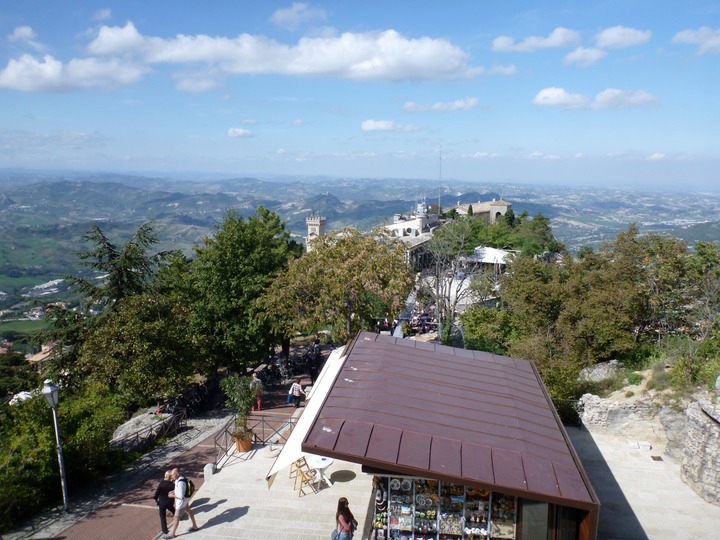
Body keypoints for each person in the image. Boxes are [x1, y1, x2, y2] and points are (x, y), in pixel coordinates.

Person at [167, 467, 199, 538]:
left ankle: (172, 534)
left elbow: (180, 496)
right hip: (185, 501)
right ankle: (195, 526)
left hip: (180, 504)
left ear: (177, 474)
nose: (171, 476)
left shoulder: (181, 482)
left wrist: (172, 496)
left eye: (172, 475)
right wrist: (174, 491)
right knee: (189, 512)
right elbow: (179, 490)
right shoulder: (179, 479)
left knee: (176, 518)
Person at [153, 470, 175, 536]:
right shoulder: (172, 485)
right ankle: (178, 517)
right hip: (169, 502)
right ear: (170, 477)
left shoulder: (161, 484)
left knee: (162, 516)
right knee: (173, 510)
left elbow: (157, 493)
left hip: (162, 503)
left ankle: (164, 530)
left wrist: (155, 499)